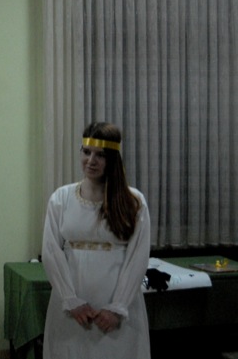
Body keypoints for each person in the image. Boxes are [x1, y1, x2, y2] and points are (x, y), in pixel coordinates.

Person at [41, 122, 151, 359]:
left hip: (117, 308)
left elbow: (138, 257)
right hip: (71, 308)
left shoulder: (133, 202)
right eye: (86, 152)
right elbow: (51, 251)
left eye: (100, 155)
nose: (91, 160)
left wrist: (118, 307)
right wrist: (71, 300)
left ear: (112, 159)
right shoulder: (61, 198)